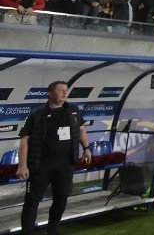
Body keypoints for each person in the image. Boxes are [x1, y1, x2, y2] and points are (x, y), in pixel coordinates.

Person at [16, 81, 91, 235]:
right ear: (50, 93)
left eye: (66, 90)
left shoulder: (73, 111)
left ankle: (52, 230)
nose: (64, 93)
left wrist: (87, 148)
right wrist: (22, 165)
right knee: (32, 201)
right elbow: (24, 142)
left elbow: (82, 130)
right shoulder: (37, 114)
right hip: (41, 165)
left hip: (65, 164)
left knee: (61, 198)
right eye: (60, 90)